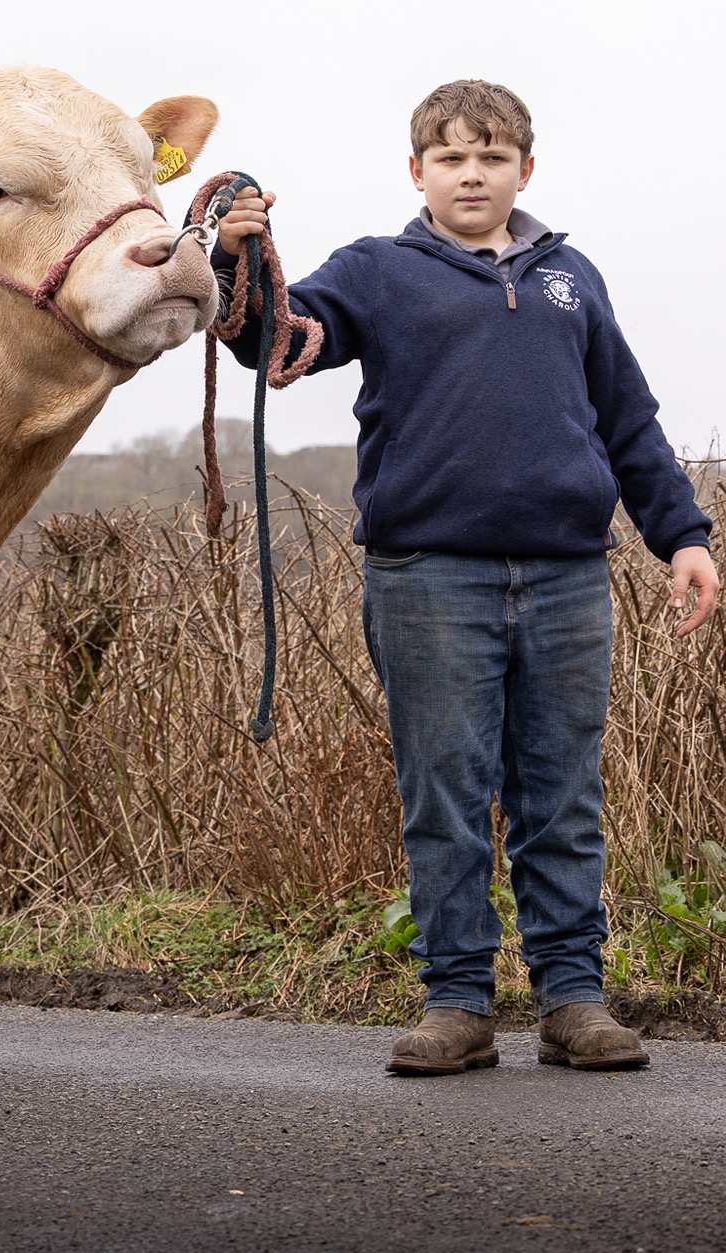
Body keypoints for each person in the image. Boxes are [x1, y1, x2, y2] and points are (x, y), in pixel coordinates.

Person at [213, 79, 718, 1074]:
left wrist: (683, 537)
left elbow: (625, 420)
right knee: (444, 793)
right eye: (449, 158)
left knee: (560, 794)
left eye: (490, 157)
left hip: (568, 574)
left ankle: (573, 998)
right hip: (428, 577)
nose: (471, 173)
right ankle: (456, 1002)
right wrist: (237, 260)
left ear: (522, 169)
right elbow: (275, 343)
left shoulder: (571, 276)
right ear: (417, 172)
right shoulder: (375, 272)